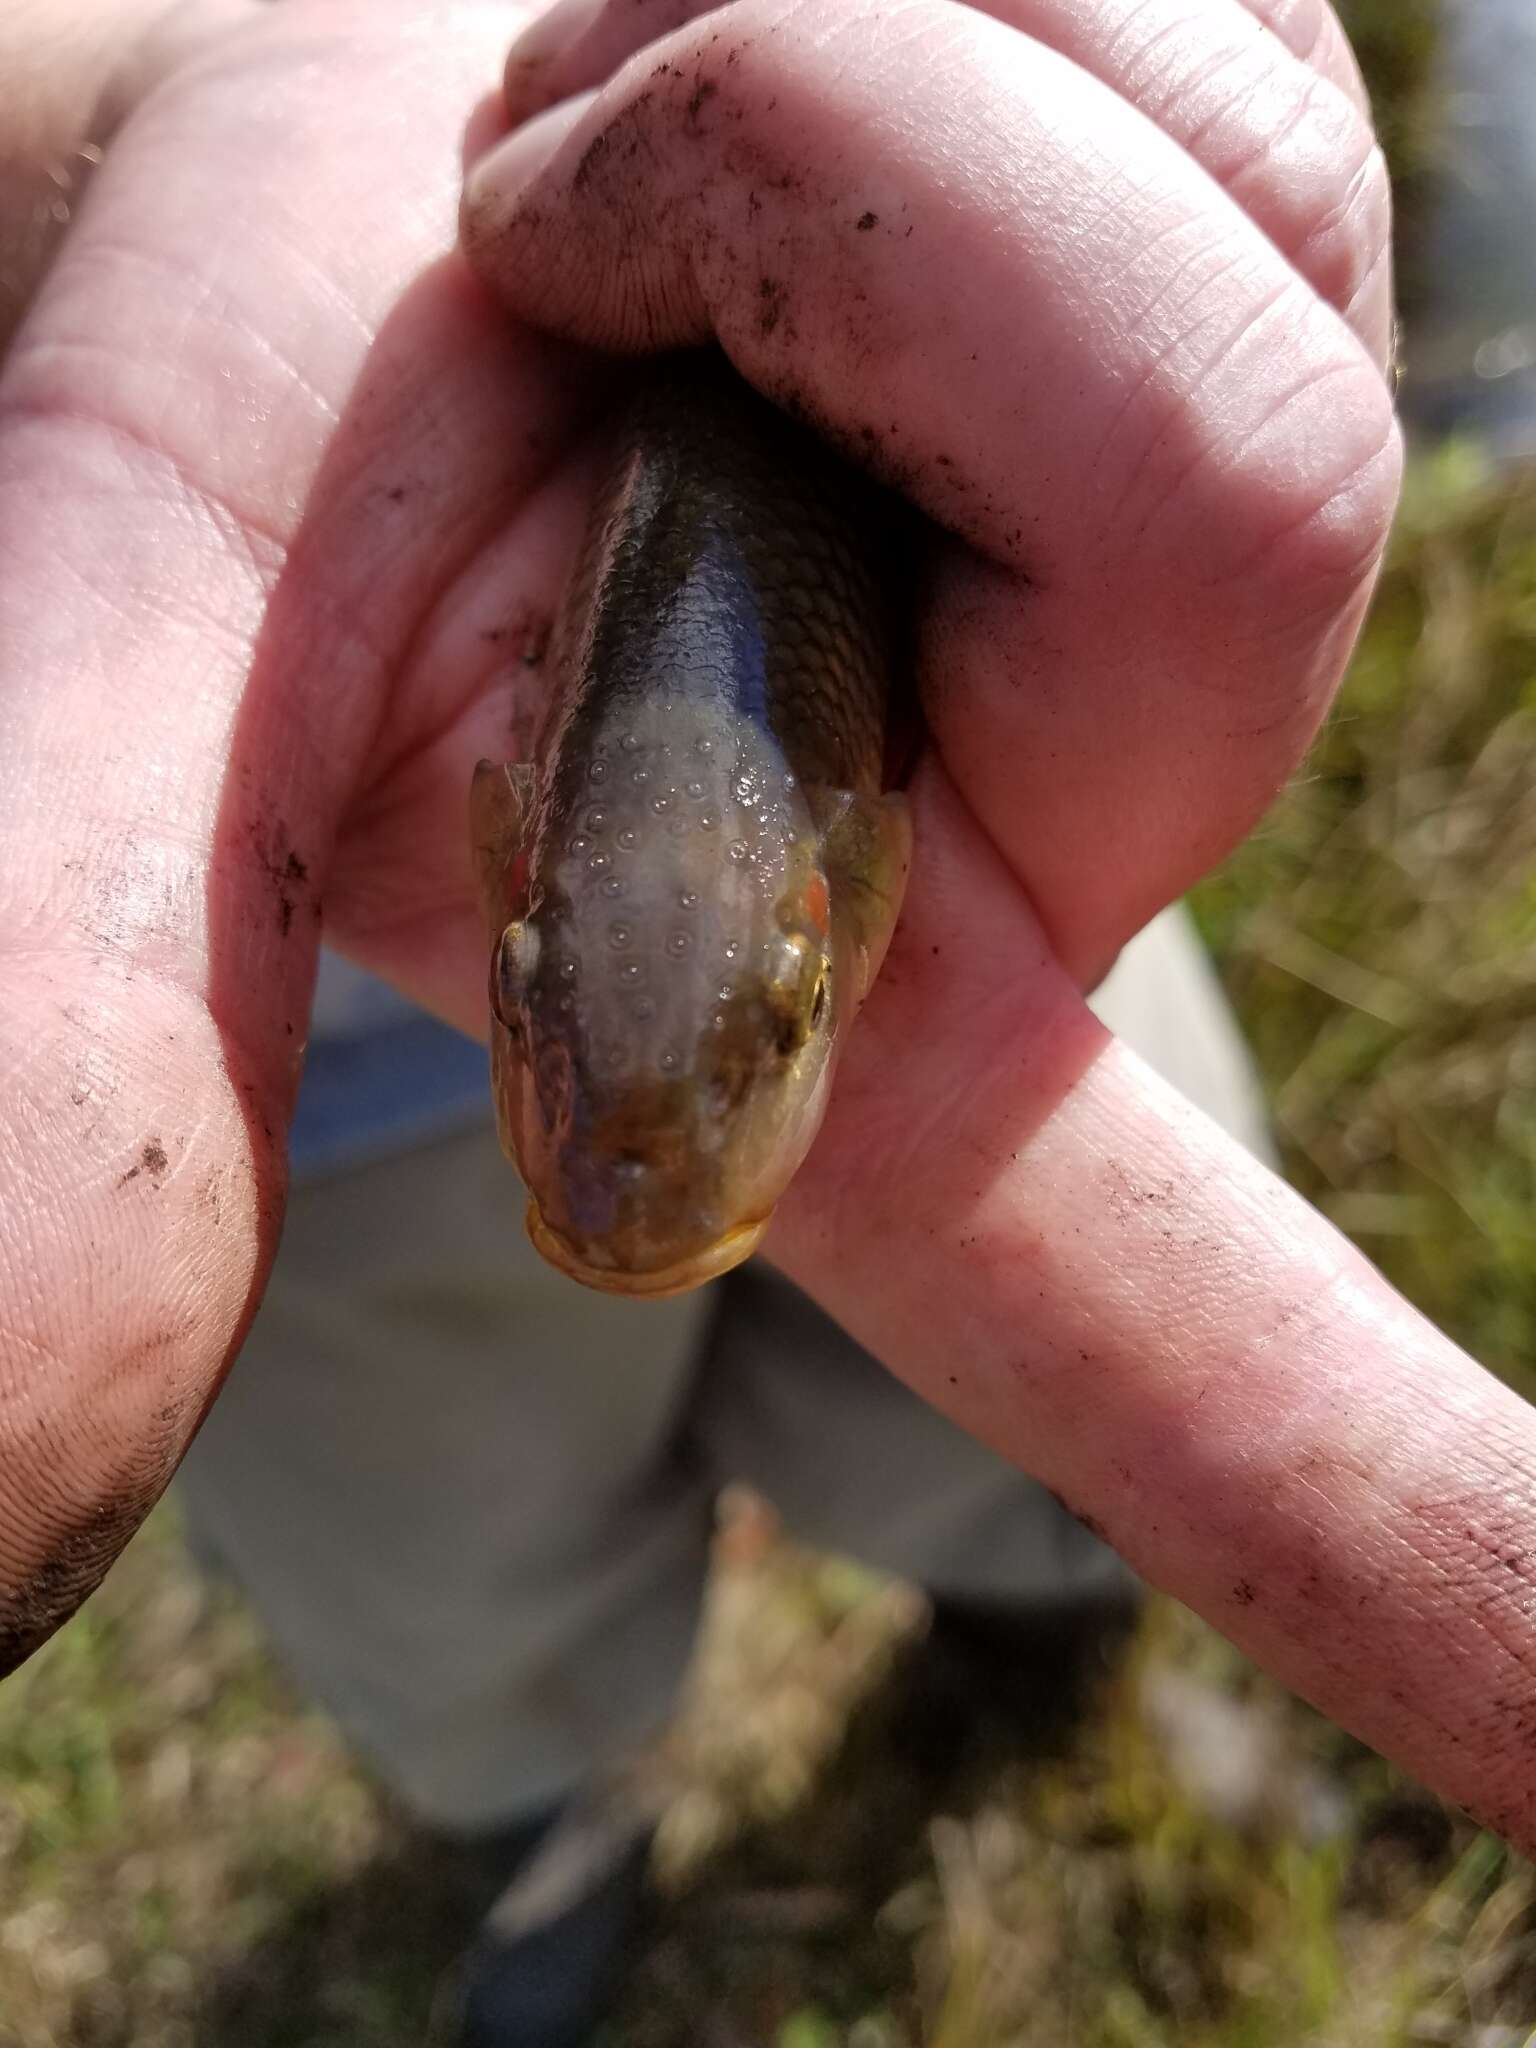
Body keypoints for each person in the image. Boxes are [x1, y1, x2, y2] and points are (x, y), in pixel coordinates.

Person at [2, 0, 1533, 2040]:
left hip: (919, 884)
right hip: (262, 1031)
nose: (629, 1163)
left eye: (767, 1037)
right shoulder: (586, 897)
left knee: (1042, 1437)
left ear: (849, 873)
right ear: (512, 862)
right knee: (446, 1571)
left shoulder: (850, 886)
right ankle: (549, 1808)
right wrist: (91, 98)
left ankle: (1047, 1629)